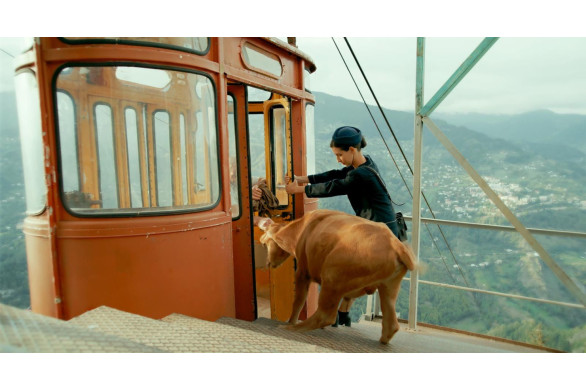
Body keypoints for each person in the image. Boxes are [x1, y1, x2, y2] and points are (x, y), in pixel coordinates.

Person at [285, 126, 400, 327]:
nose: (338, 158)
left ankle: (337, 317)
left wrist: (300, 190)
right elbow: (336, 174)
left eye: (340, 154)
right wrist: (305, 179)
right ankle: (341, 317)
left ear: (352, 150)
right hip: (379, 231)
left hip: (380, 236)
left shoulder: (360, 175)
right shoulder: (364, 164)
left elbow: (335, 186)